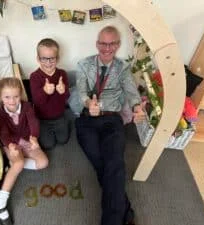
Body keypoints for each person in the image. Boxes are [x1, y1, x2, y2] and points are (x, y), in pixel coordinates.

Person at [75, 26, 146, 225]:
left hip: (112, 120)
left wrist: (137, 108)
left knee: (114, 164)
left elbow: (132, 92)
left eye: (112, 43)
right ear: (97, 43)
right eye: (103, 43)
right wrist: (89, 103)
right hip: (87, 120)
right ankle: (127, 214)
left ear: (118, 45)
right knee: (103, 166)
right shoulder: (83, 64)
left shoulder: (122, 68)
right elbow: (81, 90)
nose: (107, 48)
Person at [0, 77, 48, 225]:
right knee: (18, 164)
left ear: (20, 95)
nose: (12, 101)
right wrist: (10, 145)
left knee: (43, 162)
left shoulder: (27, 106)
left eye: (16, 96)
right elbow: (4, 133)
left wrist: (34, 138)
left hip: (26, 141)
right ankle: (1, 201)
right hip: (12, 143)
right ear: (0, 96)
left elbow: (33, 123)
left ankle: (12, 165)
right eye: (7, 97)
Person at [30, 38, 70, 150]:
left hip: (59, 117)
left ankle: (64, 124)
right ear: (38, 59)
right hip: (42, 119)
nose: (48, 63)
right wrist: (45, 92)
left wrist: (63, 91)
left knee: (64, 140)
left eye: (52, 59)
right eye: (44, 58)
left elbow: (67, 98)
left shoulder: (62, 74)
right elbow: (37, 102)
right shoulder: (34, 76)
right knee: (48, 144)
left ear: (57, 58)